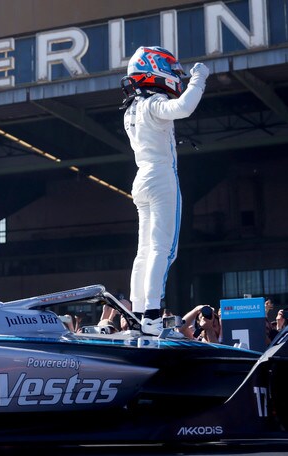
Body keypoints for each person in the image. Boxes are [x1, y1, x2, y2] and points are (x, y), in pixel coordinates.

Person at [120, 46, 210, 334]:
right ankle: (152, 316)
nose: (174, 76)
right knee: (163, 250)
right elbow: (183, 108)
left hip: (141, 178)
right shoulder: (153, 103)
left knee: (143, 250)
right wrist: (200, 79)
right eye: (170, 69)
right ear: (155, 68)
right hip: (161, 178)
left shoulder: (131, 110)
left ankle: (137, 315)